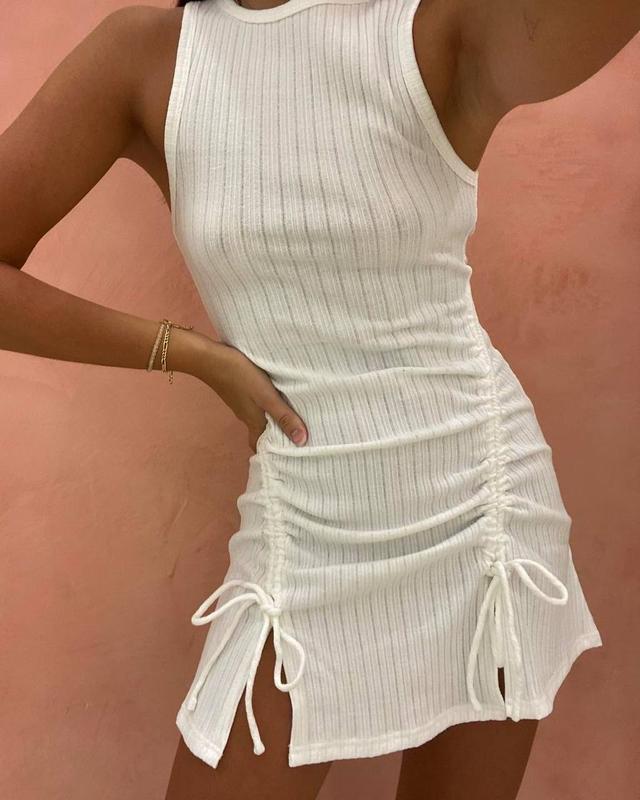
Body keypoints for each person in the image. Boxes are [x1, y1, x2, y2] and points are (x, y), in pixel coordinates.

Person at [1, 2, 637, 798]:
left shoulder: (425, 21)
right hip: (302, 533)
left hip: (481, 513)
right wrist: (187, 353)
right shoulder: (150, 55)